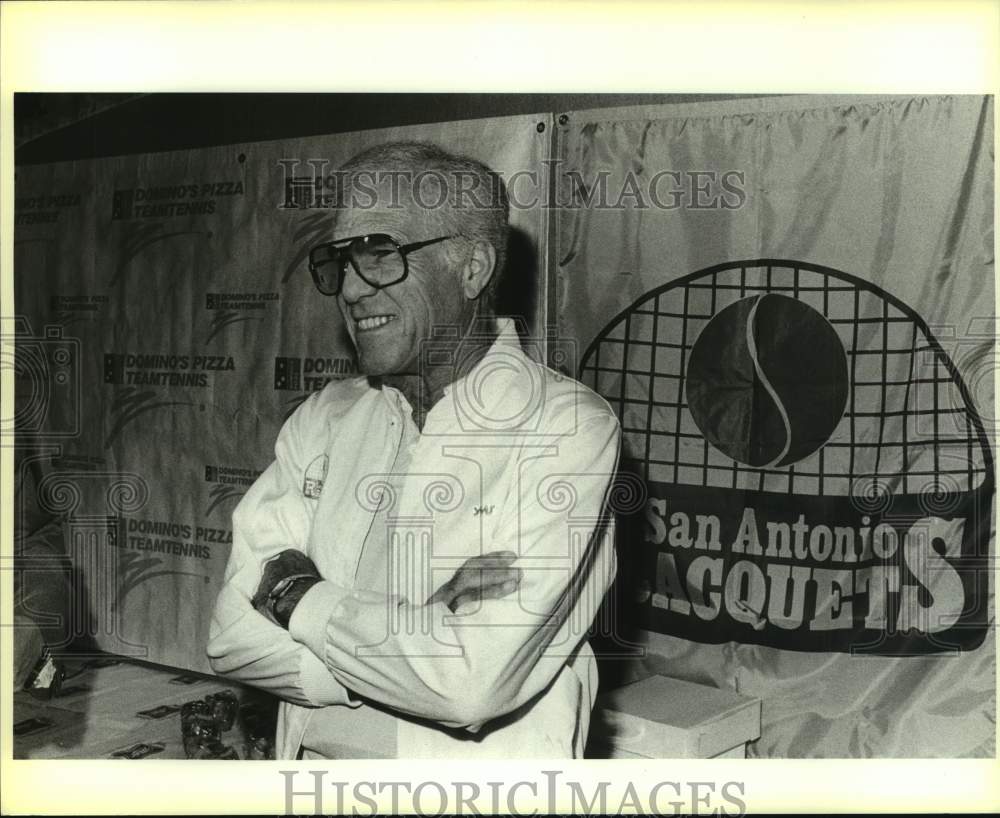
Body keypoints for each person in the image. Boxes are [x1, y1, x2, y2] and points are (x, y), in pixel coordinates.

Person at [206, 141, 621, 758]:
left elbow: (467, 685)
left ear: (473, 268)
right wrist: (415, 623)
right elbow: (230, 637)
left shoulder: (564, 430)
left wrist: (297, 597)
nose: (349, 288)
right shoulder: (323, 419)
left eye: (380, 255)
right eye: (339, 262)